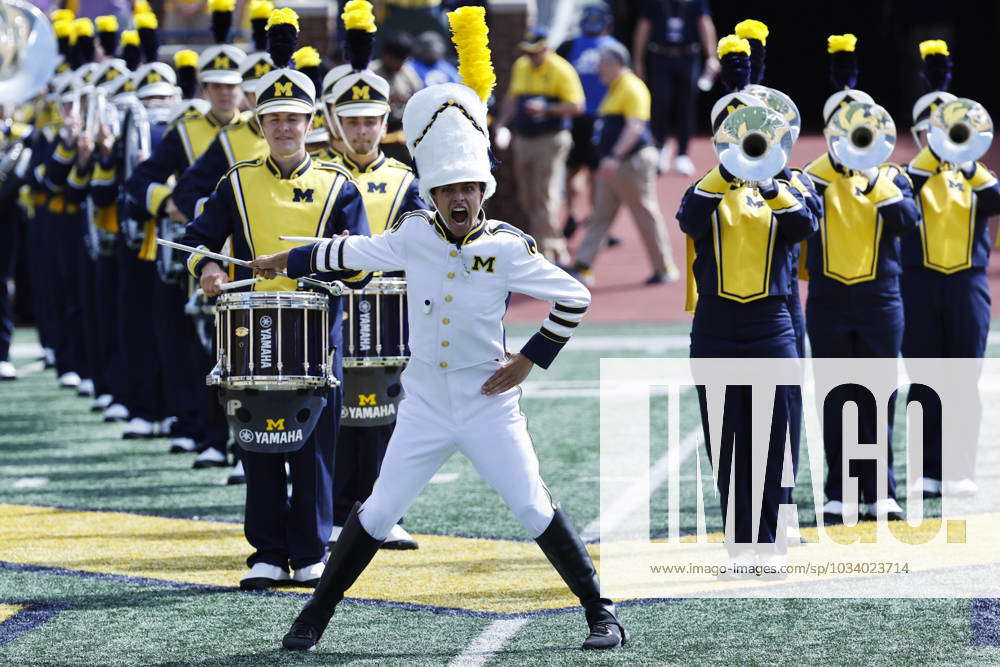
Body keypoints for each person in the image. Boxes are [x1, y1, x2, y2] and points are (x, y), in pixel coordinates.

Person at [253, 7, 627, 652]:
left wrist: (531, 358)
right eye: (448, 187)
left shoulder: (509, 247)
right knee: (375, 511)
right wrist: (285, 258)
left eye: (470, 189)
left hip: (489, 402)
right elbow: (350, 253)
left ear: (484, 190)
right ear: (432, 190)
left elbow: (575, 296)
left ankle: (600, 610)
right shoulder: (414, 236)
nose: (459, 199)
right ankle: (311, 619)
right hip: (424, 401)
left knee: (532, 506)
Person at [180, 7, 370, 590]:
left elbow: (363, 264)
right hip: (251, 332)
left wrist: (341, 258)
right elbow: (196, 241)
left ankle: (310, 549)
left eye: (294, 118)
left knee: (315, 446)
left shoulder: (341, 186)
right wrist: (209, 267)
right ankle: (266, 551)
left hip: (319, 333)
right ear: (259, 123)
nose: (284, 128)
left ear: (311, 121)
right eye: (274, 119)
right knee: (259, 441)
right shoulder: (235, 180)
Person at [677, 35, 817, 571]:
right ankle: (743, 540)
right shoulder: (706, 187)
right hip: (715, 325)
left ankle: (772, 535)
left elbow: (804, 227)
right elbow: (690, 221)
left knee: (774, 427)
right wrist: (729, 167)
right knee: (727, 435)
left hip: (772, 321)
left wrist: (771, 177)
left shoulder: (794, 184)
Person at [314, 1, 427, 550]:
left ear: (387, 124)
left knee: (385, 414)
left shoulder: (406, 178)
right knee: (338, 412)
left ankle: (382, 511)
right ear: (335, 122)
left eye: (372, 122)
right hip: (335, 312)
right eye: (353, 122)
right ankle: (336, 512)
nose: (362, 132)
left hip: (390, 316)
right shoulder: (321, 175)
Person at [802, 35, 919, 525]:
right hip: (828, 300)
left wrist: (874, 177)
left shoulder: (892, 174)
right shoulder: (810, 175)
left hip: (880, 300)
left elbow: (908, 221)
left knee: (879, 395)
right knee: (836, 395)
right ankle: (838, 490)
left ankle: (883, 491)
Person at [125, 6, 246, 455]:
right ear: (204, 88)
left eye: (231, 87)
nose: (224, 95)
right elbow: (141, 181)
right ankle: (204, 429)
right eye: (215, 86)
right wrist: (169, 205)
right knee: (195, 345)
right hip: (203, 250)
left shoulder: (259, 129)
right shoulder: (186, 130)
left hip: (249, 251)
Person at [902, 40, 1000, 497]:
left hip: (967, 285)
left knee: (963, 379)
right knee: (924, 380)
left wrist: (965, 159)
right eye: (933, 129)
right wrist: (931, 156)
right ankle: (927, 469)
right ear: (920, 131)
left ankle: (959, 469)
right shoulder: (908, 173)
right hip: (919, 285)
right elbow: (904, 198)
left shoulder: (975, 174)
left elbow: (997, 199)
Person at [567, 42, 678, 287]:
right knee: (600, 216)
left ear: (615, 64)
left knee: (644, 214)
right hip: (613, 166)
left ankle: (664, 267)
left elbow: (635, 126)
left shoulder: (632, 87)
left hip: (629, 163)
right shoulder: (615, 87)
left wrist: (615, 156)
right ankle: (583, 266)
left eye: (601, 66)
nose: (598, 72)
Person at [493, 26, 584, 265]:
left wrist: (546, 108)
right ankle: (555, 244)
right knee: (527, 196)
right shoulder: (521, 66)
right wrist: (501, 124)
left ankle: (544, 252)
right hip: (524, 137)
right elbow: (512, 98)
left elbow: (577, 106)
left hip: (551, 138)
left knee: (544, 194)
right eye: (527, 51)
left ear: (545, 48)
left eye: (535, 52)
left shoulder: (561, 70)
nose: (530, 56)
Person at [557, 4, 623, 239]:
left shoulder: (571, 46)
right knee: (588, 173)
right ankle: (586, 219)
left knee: (581, 172)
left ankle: (582, 218)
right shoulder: (613, 49)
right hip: (590, 119)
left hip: (586, 118)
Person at [632, 0, 719, 175]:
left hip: (687, 56)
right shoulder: (654, 4)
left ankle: (682, 153)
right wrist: (638, 61)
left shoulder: (696, 2)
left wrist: (711, 56)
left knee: (686, 105)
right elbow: (643, 29)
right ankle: (660, 147)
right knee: (660, 102)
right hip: (660, 56)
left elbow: (705, 25)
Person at [371, 33, 424, 162]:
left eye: (403, 60)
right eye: (396, 59)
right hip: (377, 128)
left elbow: (420, 98)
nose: (399, 64)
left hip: (402, 129)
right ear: (386, 55)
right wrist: (388, 100)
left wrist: (409, 100)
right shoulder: (372, 71)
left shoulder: (408, 72)